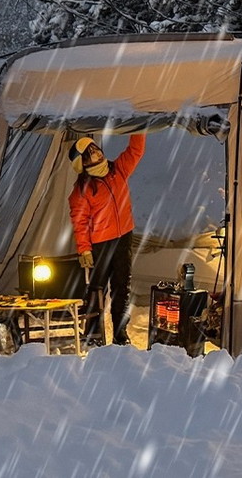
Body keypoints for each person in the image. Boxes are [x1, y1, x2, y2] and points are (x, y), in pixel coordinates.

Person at [68, 134, 145, 346]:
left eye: (94, 148)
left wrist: (139, 127)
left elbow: (135, 151)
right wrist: (84, 249)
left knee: (122, 287)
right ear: (82, 164)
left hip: (123, 238)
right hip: (100, 244)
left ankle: (120, 334)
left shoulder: (117, 170)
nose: (96, 152)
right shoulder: (82, 191)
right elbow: (80, 221)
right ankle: (92, 334)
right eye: (89, 153)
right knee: (96, 288)